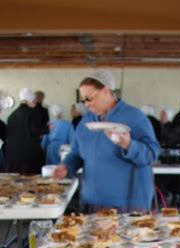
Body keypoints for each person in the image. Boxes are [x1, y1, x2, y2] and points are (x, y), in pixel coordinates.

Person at [53, 69, 160, 212]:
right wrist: (66, 166)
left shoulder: (134, 117)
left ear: (105, 90)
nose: (86, 104)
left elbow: (152, 154)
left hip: (127, 204)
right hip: (93, 201)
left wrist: (129, 145)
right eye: (83, 100)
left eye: (89, 98)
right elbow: (77, 153)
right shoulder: (87, 120)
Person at [5, 88, 49, 174]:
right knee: (30, 182)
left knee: (16, 182)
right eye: (34, 100)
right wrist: (47, 128)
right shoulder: (32, 113)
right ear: (30, 100)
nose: (36, 103)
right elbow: (35, 130)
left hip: (13, 156)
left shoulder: (12, 115)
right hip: (29, 156)